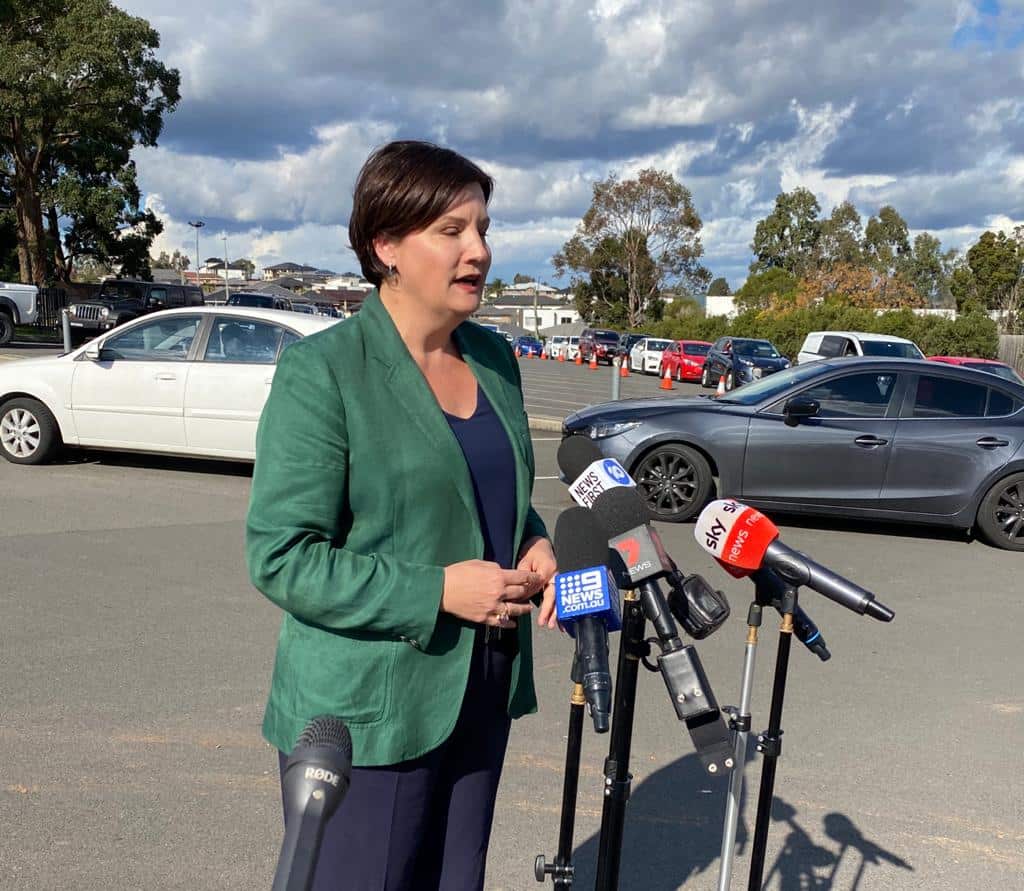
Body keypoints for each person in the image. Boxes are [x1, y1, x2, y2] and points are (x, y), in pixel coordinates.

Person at [246, 140, 559, 891]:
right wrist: (437, 592)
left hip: (481, 695)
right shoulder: (323, 372)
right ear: (385, 244)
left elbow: (491, 495)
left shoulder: (493, 358)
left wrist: (536, 540)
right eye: (450, 231)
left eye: (483, 228)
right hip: (366, 716)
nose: (478, 249)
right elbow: (283, 556)